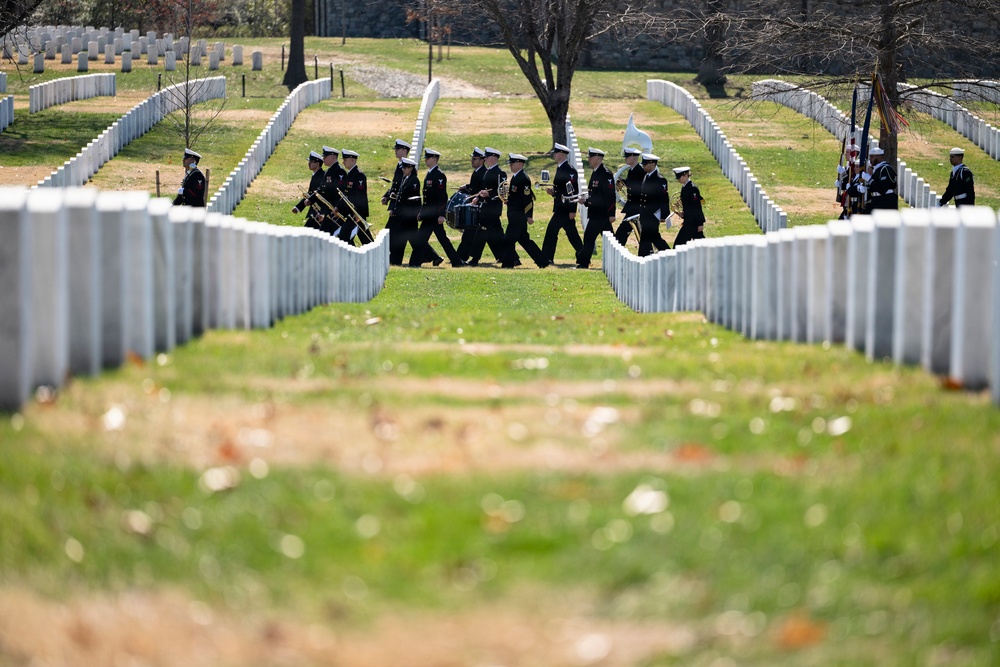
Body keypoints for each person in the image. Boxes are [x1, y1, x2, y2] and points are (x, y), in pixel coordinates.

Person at [411, 148, 464, 267]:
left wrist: (441, 214)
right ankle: (415, 262)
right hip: (428, 214)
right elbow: (426, 198)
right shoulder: (430, 173)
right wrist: (421, 212)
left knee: (441, 240)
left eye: (428, 158)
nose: (426, 160)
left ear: (434, 159)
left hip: (434, 215)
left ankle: (456, 262)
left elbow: (442, 197)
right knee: (423, 239)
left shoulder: (439, 175)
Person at [499, 153, 548, 268]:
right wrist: (509, 201)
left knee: (509, 240)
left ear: (520, 164)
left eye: (513, 163)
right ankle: (542, 261)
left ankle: (507, 264)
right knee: (524, 240)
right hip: (514, 214)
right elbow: (516, 197)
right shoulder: (516, 177)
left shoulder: (523, 178)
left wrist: (529, 215)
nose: (510, 165)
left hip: (519, 215)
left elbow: (527, 199)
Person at [467, 147, 509, 266]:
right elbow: (483, 189)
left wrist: (489, 195)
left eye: (487, 157)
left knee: (482, 231)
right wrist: (478, 198)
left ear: (494, 158)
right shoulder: (487, 171)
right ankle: (508, 257)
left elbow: (502, 192)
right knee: (497, 234)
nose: (485, 159)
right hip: (486, 207)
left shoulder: (500, 173)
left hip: (493, 208)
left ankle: (475, 259)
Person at [542, 142, 583, 264]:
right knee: (572, 234)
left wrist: (572, 210)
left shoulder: (569, 170)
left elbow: (573, 190)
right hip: (560, 205)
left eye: (556, 153)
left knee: (551, 231)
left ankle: (546, 257)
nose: (554, 155)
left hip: (565, 208)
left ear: (562, 154)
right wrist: (553, 192)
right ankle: (583, 254)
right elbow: (561, 189)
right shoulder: (561, 168)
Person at [576, 148, 616, 269]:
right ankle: (615, 260)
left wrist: (612, 214)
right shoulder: (596, 172)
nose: (589, 159)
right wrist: (586, 200)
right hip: (595, 212)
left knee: (589, 237)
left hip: (601, 214)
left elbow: (609, 196)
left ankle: (583, 262)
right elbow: (594, 194)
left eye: (591, 157)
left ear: (598, 158)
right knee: (610, 240)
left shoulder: (605, 173)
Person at [456, 147, 487, 263]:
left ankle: (462, 256)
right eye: (472, 158)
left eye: (475, 159)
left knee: (472, 232)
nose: (472, 161)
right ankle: (463, 256)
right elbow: (475, 186)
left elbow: (483, 188)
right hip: (474, 206)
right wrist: (467, 187)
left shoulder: (484, 172)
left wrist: (477, 198)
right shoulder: (477, 172)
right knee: (473, 232)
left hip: (480, 207)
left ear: (482, 160)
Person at [389, 156, 421, 265]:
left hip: (409, 215)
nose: (403, 170)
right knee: (404, 239)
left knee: (405, 239)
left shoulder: (414, 180)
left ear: (411, 168)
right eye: (403, 168)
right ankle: (396, 261)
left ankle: (397, 261)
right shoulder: (405, 179)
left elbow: (414, 198)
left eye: (405, 168)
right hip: (402, 214)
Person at [637, 153, 670, 256]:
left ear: (652, 164)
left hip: (653, 214)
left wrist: (664, 215)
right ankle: (670, 254)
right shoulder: (646, 177)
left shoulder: (660, 179)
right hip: (645, 214)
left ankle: (642, 257)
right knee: (653, 237)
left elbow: (664, 199)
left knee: (646, 237)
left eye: (645, 164)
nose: (643, 166)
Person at [337, 149, 371, 243]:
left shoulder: (359, 175)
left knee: (344, 234)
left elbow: (361, 196)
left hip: (357, 212)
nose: (343, 162)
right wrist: (337, 207)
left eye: (345, 159)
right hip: (351, 212)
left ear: (352, 160)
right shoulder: (350, 174)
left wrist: (357, 212)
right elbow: (345, 194)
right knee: (364, 238)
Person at [291, 151, 329, 230]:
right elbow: (310, 194)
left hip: (319, 212)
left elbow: (321, 194)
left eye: (311, 162)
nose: (309, 163)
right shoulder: (315, 175)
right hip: (315, 211)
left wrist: (322, 212)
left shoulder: (322, 176)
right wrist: (298, 207)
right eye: (309, 161)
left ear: (318, 163)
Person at [614, 147, 643, 246]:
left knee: (622, 232)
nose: (625, 159)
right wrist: (622, 181)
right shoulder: (632, 170)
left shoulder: (640, 171)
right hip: (632, 207)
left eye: (627, 157)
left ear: (634, 157)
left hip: (637, 208)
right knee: (622, 233)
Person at [671, 166, 706, 247]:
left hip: (692, 223)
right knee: (701, 244)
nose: (678, 179)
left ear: (686, 175)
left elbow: (696, 206)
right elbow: (688, 206)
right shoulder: (685, 187)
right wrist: (683, 213)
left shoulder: (692, 188)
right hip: (689, 220)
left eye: (680, 177)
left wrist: (700, 223)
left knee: (678, 245)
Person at [861, 146, 898, 212]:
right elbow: (874, 186)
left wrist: (869, 179)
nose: (870, 159)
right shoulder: (876, 170)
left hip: (885, 201)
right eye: (870, 157)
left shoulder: (885, 168)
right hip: (876, 200)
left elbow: (881, 188)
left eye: (872, 157)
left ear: (879, 157)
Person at [382, 139, 411, 220]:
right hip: (396, 204)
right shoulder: (399, 165)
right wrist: (387, 196)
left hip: (401, 205)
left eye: (397, 149)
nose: (395, 151)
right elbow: (395, 184)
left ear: (404, 151)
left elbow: (403, 187)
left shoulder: (408, 168)